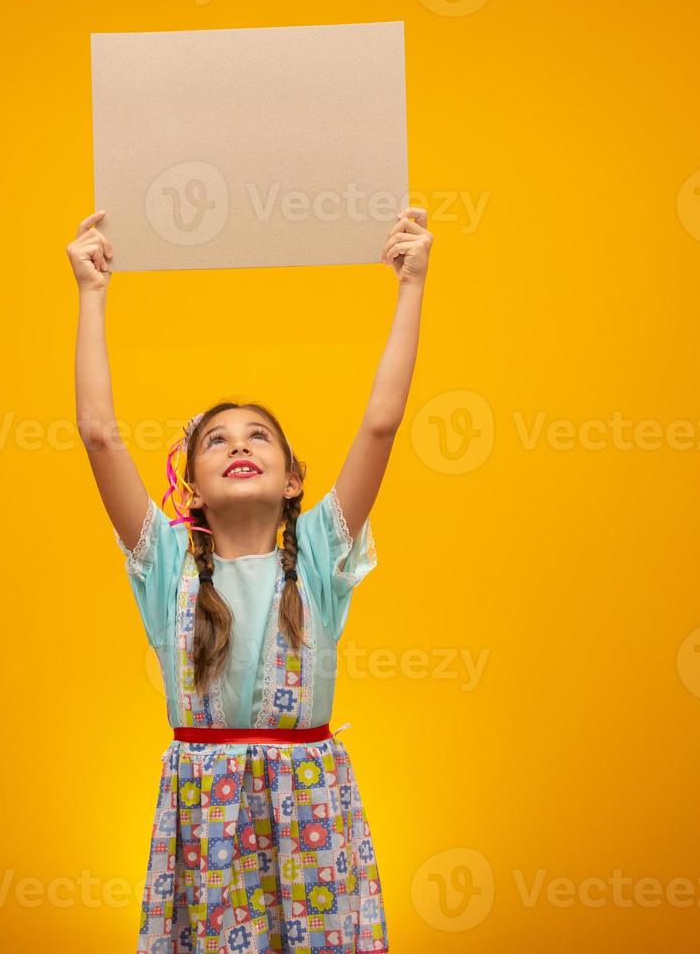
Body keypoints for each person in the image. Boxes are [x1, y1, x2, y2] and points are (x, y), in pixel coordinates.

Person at [69, 205, 432, 952]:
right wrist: (92, 294)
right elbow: (99, 433)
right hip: (205, 819)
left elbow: (381, 424)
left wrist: (411, 285)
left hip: (313, 816)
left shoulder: (325, 554)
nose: (240, 446)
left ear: (294, 478)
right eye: (217, 441)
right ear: (191, 487)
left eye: (259, 436)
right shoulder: (164, 562)